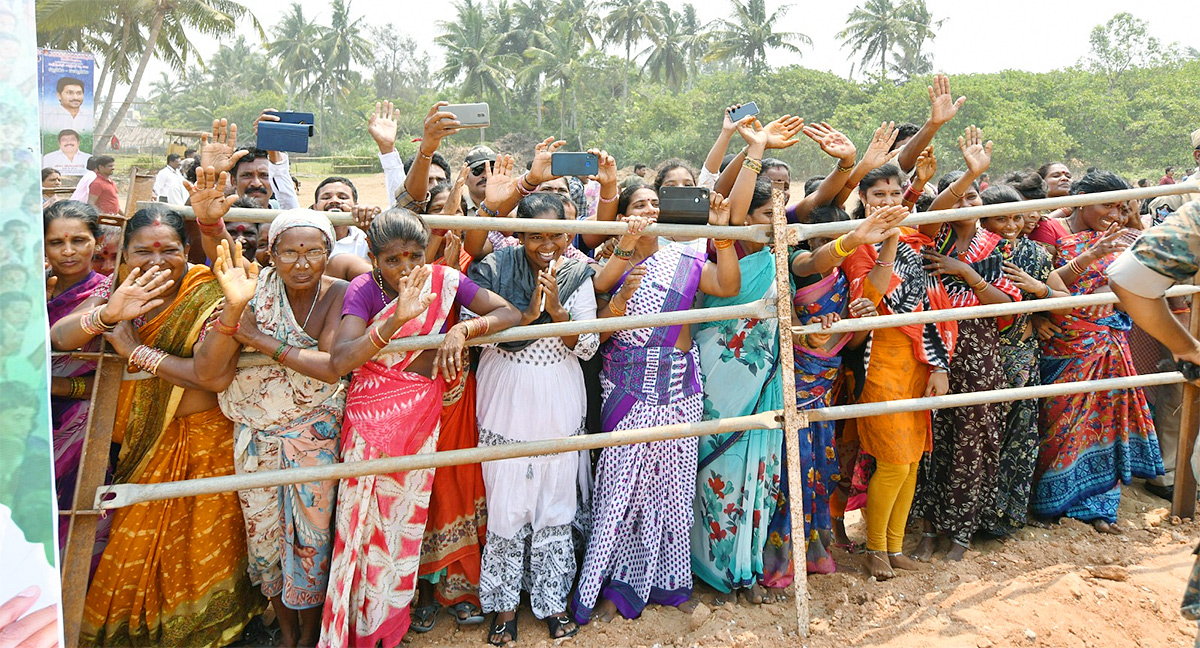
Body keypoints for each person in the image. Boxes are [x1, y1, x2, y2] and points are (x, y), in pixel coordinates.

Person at [50, 204, 261, 646]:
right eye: (143, 251)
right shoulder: (118, 291)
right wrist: (107, 315)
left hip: (205, 444)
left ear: (187, 251)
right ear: (124, 255)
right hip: (141, 448)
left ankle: (213, 631)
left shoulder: (206, 292)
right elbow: (59, 336)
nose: (155, 260)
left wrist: (135, 353)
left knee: (200, 550)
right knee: (135, 548)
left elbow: (211, 374)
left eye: (168, 249)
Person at [318, 208, 520, 648]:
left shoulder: (445, 281)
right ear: (373, 258)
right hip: (370, 423)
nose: (406, 268)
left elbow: (510, 315)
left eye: (414, 256)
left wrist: (463, 329)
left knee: (400, 528)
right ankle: (354, 631)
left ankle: (386, 628)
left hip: (420, 419)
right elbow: (339, 361)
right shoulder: (363, 290)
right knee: (362, 528)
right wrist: (393, 322)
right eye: (393, 260)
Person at [572, 181, 741, 624]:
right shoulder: (607, 265)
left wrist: (721, 238)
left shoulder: (685, 258)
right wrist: (626, 261)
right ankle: (608, 587)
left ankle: (671, 584)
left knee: (675, 490)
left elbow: (726, 284)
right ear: (623, 214)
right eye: (638, 204)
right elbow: (598, 314)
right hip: (629, 386)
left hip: (680, 384)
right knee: (620, 492)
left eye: (654, 204)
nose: (648, 209)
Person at [194, 171, 350, 648]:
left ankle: (310, 632)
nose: (301, 263)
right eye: (289, 252)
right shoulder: (255, 287)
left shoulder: (337, 294)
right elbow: (221, 253)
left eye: (313, 252)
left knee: (312, 538)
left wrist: (259, 341)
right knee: (263, 540)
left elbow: (327, 367)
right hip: (257, 439)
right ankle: (285, 631)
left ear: (328, 253)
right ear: (271, 254)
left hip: (313, 441)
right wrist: (206, 221)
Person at [467, 192, 596, 644]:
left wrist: (557, 313)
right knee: (505, 495)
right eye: (535, 235)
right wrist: (522, 317)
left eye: (556, 234)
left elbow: (587, 347)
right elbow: (474, 334)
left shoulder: (579, 271)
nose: (547, 244)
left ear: (568, 232)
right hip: (508, 390)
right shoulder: (495, 269)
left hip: (559, 390)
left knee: (556, 494)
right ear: (518, 233)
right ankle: (503, 607)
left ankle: (553, 601)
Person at [841, 157, 957, 580]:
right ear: (863, 199)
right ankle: (874, 549)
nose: (887, 202)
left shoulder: (913, 239)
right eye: (878, 195)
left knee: (910, 461)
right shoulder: (858, 244)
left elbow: (928, 308)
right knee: (892, 461)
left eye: (895, 194)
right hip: (879, 362)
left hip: (919, 358)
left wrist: (937, 364)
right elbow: (869, 299)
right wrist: (885, 240)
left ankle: (892, 545)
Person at [1031, 170, 1164, 534]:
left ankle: (1100, 506)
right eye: (1108, 205)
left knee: (1106, 419)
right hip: (1064, 341)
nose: (1115, 215)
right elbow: (1042, 285)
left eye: (1122, 208)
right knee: (1058, 422)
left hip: (1109, 342)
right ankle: (1052, 502)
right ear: (1083, 197)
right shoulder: (1051, 231)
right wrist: (1090, 257)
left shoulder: (1123, 236)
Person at [911, 127, 1021, 563]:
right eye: (957, 197)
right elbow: (937, 208)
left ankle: (959, 531)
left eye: (972, 197)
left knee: (973, 436)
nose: (964, 205)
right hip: (930, 344)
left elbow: (1005, 306)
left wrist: (965, 272)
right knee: (930, 434)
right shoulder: (930, 236)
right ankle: (927, 527)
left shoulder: (994, 244)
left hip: (977, 348)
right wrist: (964, 179)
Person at [975, 186, 1068, 537]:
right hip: (981, 357)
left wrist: (1037, 291)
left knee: (1018, 436)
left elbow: (1063, 299)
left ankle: (1006, 517)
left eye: (1016, 217)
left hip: (1023, 356)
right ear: (984, 219)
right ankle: (972, 516)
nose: (1011, 225)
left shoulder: (1038, 254)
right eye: (1001, 218)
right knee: (980, 436)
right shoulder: (973, 253)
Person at [43, 201, 107, 569]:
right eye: (56, 242)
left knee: (73, 514)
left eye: (79, 240)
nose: (68, 252)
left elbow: (112, 373)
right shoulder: (25, 291)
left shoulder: (105, 295)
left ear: (97, 242)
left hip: (79, 427)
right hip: (21, 420)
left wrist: (58, 388)